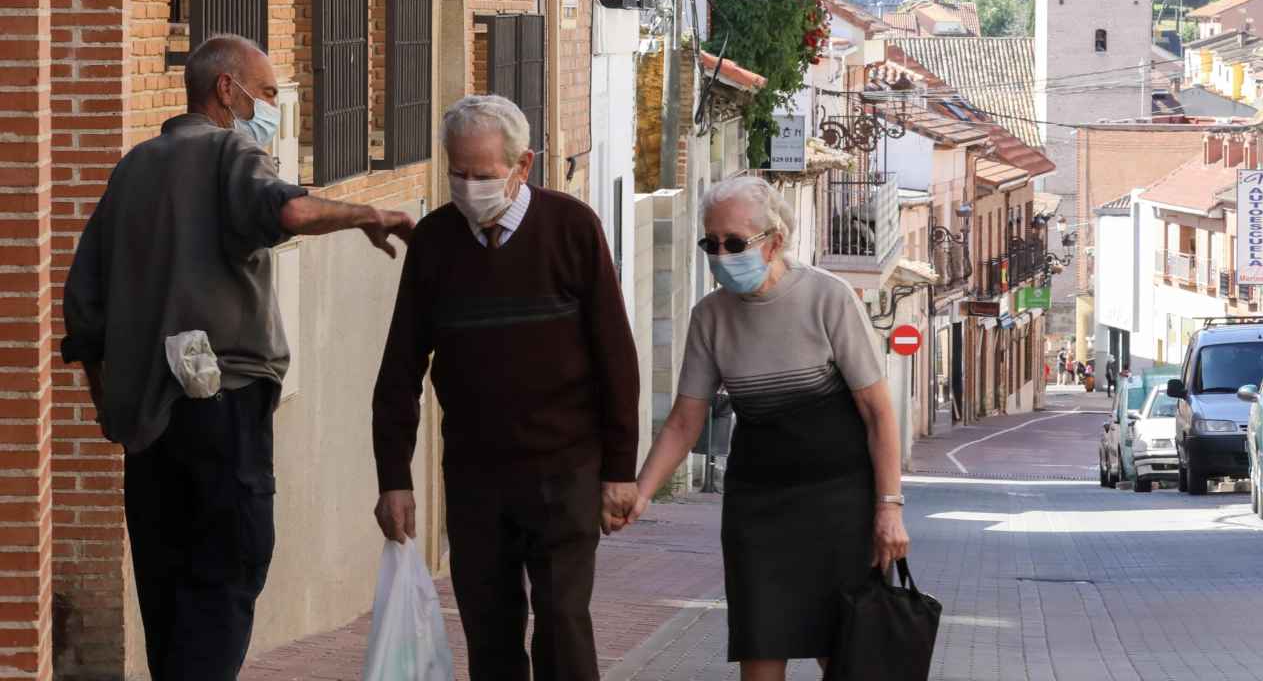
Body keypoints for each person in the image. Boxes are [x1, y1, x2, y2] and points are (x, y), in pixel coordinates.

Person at [60, 35, 415, 681]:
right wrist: (367, 213)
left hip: (148, 430)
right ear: (227, 89)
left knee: (168, 604)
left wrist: (110, 409)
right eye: (268, 92)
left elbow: (82, 312)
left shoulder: (133, 169)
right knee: (227, 582)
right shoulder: (229, 151)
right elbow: (287, 208)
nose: (271, 106)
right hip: (222, 419)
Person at [371, 95, 641, 681]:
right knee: (488, 629)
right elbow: (399, 371)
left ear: (524, 166)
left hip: (565, 467)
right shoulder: (436, 244)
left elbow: (616, 357)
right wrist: (394, 478)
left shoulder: (572, 229)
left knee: (563, 621)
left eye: (484, 175)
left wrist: (620, 469)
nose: (469, 188)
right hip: (474, 475)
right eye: (458, 174)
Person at [620, 176, 909, 681]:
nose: (721, 255)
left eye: (735, 243)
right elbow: (687, 417)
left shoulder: (829, 298)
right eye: (711, 243)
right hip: (758, 503)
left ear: (774, 240)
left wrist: (889, 508)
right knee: (761, 646)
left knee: (846, 652)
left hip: (840, 500)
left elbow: (878, 411)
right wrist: (642, 492)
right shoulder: (710, 317)